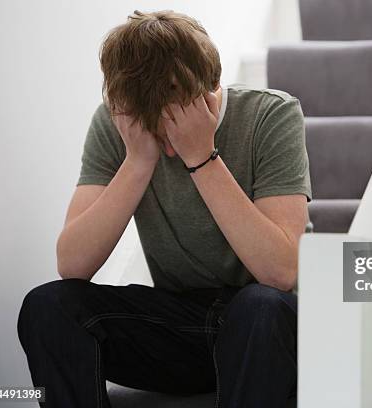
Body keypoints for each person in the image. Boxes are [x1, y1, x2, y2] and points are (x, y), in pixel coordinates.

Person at [17, 9, 311, 408]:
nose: (168, 131)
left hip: (265, 329)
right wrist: (138, 160)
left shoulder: (270, 114)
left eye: (177, 109)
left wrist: (202, 157)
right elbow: (73, 264)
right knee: (47, 305)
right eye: (153, 118)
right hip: (179, 326)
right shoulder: (116, 125)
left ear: (209, 87)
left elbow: (279, 273)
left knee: (260, 306)